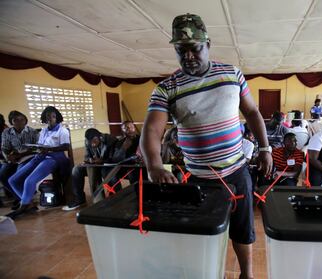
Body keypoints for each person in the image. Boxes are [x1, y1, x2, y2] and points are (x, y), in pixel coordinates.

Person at [140, 13, 272, 279]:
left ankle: (247, 274)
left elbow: (253, 112)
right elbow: (152, 130)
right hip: (200, 178)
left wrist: (266, 149)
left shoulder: (232, 74)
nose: (188, 56)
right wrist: (154, 166)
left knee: (243, 228)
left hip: (236, 171)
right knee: (209, 231)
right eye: (181, 50)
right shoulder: (167, 88)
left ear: (208, 44)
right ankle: (215, 272)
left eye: (194, 48)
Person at [7, 106, 70, 219]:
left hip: (53, 158)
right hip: (41, 156)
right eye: (47, 117)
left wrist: (49, 149)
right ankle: (27, 203)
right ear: (44, 119)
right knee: (13, 180)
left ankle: (23, 206)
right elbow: (40, 145)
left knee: (29, 181)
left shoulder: (62, 130)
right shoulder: (44, 130)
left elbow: (66, 146)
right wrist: (37, 148)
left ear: (57, 117)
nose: (50, 119)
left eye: (53, 117)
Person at [62, 128, 116, 210]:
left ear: (100, 137)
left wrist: (101, 161)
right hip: (95, 165)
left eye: (94, 142)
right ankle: (80, 199)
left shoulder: (111, 140)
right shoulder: (88, 141)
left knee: (95, 170)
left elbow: (115, 159)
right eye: (90, 143)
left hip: (108, 166)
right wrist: (89, 160)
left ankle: (101, 201)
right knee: (77, 169)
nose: (92, 145)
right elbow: (87, 156)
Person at [1, 111, 39, 209]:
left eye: (22, 119)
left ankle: (25, 201)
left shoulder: (32, 131)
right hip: (14, 159)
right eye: (15, 120)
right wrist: (8, 157)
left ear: (25, 120)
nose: (19, 122)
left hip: (28, 157)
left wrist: (21, 154)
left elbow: (37, 148)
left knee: (19, 174)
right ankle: (20, 197)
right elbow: (5, 148)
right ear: (11, 122)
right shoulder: (7, 132)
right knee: (3, 174)